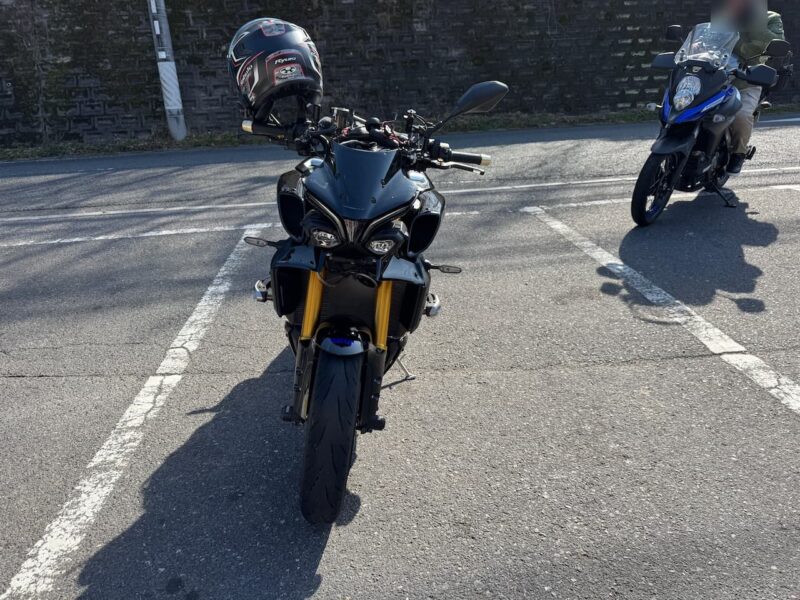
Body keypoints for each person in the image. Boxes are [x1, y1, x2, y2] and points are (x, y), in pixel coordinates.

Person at [718, 0, 786, 173]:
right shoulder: (724, 18)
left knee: (740, 114)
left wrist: (753, 22)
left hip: (747, 80)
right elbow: (709, 42)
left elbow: (776, 42)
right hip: (716, 78)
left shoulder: (771, 18)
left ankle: (738, 153)